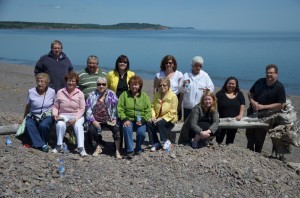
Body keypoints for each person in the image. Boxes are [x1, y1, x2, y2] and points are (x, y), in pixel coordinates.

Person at [246, 64, 286, 153]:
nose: (269, 75)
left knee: (259, 136)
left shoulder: (279, 87)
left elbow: (281, 104)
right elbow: (250, 93)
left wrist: (263, 107)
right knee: (249, 133)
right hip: (252, 111)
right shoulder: (260, 81)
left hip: (266, 115)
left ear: (276, 74)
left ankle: (257, 153)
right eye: (267, 73)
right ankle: (248, 152)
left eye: (271, 73)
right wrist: (252, 101)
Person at [52, 71, 87, 157]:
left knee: (78, 126)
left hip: (77, 115)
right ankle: (59, 145)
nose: (71, 83)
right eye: (69, 81)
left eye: (73, 81)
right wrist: (55, 114)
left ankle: (81, 148)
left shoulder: (80, 93)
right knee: (60, 124)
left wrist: (75, 118)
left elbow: (82, 108)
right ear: (66, 81)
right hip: (63, 114)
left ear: (76, 83)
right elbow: (55, 106)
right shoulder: (60, 92)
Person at [85, 77, 121, 158]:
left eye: (103, 84)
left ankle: (117, 150)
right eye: (99, 84)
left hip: (109, 119)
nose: (101, 86)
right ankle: (98, 148)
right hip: (96, 120)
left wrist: (115, 119)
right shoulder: (92, 95)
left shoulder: (111, 94)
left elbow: (116, 108)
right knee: (91, 130)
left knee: (117, 130)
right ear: (96, 85)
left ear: (107, 85)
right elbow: (88, 109)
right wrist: (93, 121)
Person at [117, 76, 151, 159]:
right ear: (129, 85)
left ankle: (138, 148)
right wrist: (125, 119)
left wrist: (143, 120)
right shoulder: (124, 94)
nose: (134, 86)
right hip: (127, 118)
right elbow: (119, 108)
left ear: (140, 86)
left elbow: (148, 110)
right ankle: (130, 150)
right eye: (132, 84)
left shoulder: (144, 96)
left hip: (140, 119)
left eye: (136, 85)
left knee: (141, 133)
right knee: (127, 128)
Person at [23, 73, 56, 152]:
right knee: (28, 124)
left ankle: (40, 143)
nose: (40, 84)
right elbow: (28, 106)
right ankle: (42, 145)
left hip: (47, 114)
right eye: (38, 81)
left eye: (42, 82)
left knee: (43, 125)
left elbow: (56, 104)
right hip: (33, 114)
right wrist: (23, 117)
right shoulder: (31, 91)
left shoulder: (52, 92)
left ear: (47, 83)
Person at [147, 77, 178, 151]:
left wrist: (161, 118)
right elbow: (152, 107)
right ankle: (155, 142)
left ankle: (166, 141)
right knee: (149, 122)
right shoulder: (157, 94)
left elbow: (173, 112)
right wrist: (153, 116)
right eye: (160, 85)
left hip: (170, 119)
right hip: (158, 117)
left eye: (164, 85)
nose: (162, 87)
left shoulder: (173, 96)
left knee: (160, 123)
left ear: (168, 86)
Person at [180, 56, 214, 121]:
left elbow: (211, 87)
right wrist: (183, 85)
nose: (198, 68)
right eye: (196, 66)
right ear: (192, 65)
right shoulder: (186, 75)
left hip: (201, 106)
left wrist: (208, 90)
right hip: (188, 106)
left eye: (200, 66)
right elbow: (181, 90)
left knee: (199, 124)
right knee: (187, 124)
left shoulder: (205, 75)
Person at [216, 77, 245, 145]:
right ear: (226, 84)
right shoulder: (220, 93)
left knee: (230, 139)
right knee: (219, 138)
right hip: (221, 119)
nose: (231, 85)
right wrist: (216, 114)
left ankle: (228, 147)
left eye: (233, 84)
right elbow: (214, 104)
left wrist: (240, 115)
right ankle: (218, 147)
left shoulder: (239, 94)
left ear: (236, 85)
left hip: (234, 120)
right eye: (229, 83)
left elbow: (242, 105)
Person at [154, 55, 183, 120]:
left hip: (175, 99)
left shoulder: (179, 75)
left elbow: (181, 91)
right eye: (166, 63)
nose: (168, 64)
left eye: (170, 63)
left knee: (174, 119)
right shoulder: (159, 74)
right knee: (161, 118)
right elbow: (155, 89)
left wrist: (180, 104)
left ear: (174, 64)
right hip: (161, 99)